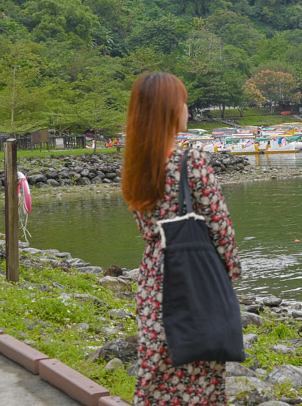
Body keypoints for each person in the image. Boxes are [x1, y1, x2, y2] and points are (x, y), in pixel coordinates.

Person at [120, 72, 241, 406]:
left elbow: (147, 230)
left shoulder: (135, 166)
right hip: (194, 278)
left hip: (154, 278)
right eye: (183, 102)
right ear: (169, 111)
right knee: (200, 365)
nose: (188, 108)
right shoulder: (191, 163)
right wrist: (229, 276)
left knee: (158, 362)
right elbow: (221, 228)